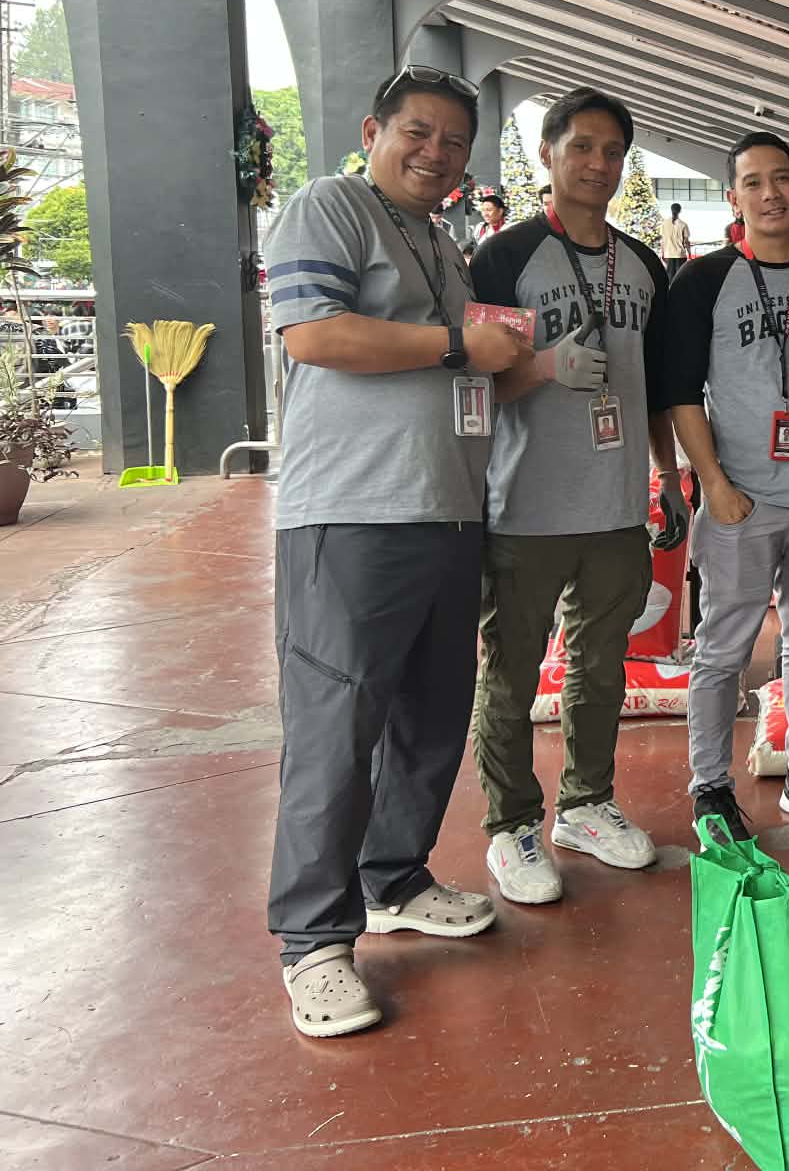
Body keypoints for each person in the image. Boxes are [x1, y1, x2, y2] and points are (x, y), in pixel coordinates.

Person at [262, 65, 534, 1038]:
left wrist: (525, 364)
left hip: (448, 511)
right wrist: (463, 348)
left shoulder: (438, 240)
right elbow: (314, 335)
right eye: (418, 132)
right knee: (336, 725)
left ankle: (393, 877)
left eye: (454, 142)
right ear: (375, 128)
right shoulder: (329, 205)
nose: (435, 154)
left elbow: (455, 361)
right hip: (350, 514)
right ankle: (312, 939)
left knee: (428, 711)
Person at [466, 88, 687, 905]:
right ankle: (511, 822)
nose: (597, 165)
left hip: (617, 504)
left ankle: (586, 803)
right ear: (548, 156)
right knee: (513, 672)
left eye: (612, 152)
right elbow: (477, 383)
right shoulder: (504, 257)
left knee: (602, 666)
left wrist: (666, 477)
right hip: (525, 506)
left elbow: (659, 389)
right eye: (582, 148)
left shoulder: (641, 263)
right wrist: (546, 368)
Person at [667, 131, 789, 844]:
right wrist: (711, 482)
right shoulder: (704, 280)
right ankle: (709, 786)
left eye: (783, 179)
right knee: (722, 649)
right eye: (754, 183)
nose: (771, 194)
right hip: (740, 499)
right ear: (733, 198)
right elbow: (681, 392)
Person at [463, 190, 508, 259]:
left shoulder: (508, 229)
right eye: (483, 210)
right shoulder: (479, 228)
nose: (485, 214)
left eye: (489, 210)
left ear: (500, 211)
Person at [659, 202, 692, 279]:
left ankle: (669, 291)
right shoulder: (683, 224)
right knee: (680, 277)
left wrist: (662, 253)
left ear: (671, 210)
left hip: (668, 254)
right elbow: (686, 242)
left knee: (669, 277)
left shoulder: (664, 224)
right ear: (680, 211)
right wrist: (689, 254)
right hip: (680, 255)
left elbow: (663, 240)